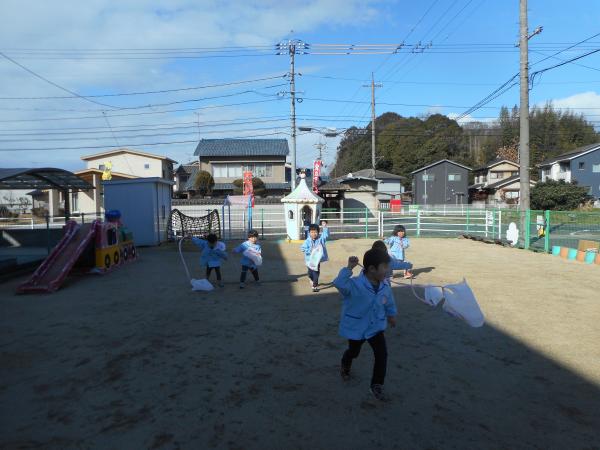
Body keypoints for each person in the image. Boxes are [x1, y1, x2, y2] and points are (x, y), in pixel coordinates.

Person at [334, 248, 397, 401]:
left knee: (382, 354)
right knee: (354, 352)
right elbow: (339, 283)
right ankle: (345, 363)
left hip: (376, 327)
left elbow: (389, 301)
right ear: (372, 269)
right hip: (358, 327)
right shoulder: (354, 284)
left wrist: (391, 315)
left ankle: (376, 384)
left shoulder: (385, 285)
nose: (387, 270)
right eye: (384, 267)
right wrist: (349, 268)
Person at [300, 222, 329, 292]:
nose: (314, 234)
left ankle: (314, 286)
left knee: (316, 273)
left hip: (317, 261)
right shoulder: (307, 241)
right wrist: (310, 250)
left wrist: (325, 227)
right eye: (312, 232)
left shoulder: (320, 240)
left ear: (318, 233)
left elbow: (325, 236)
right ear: (309, 233)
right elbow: (302, 248)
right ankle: (311, 278)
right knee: (310, 273)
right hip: (309, 261)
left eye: (315, 232)